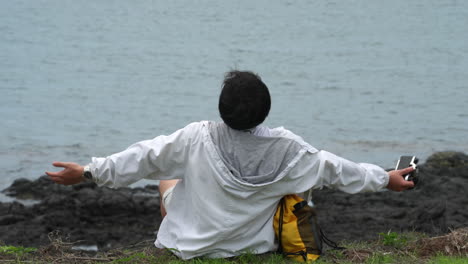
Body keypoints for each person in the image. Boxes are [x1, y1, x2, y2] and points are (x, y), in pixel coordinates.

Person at [45, 70, 414, 260]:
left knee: (167, 177)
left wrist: (89, 172)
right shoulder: (293, 151)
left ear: (221, 106)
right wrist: (387, 179)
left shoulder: (196, 137)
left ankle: (179, 223)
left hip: (188, 247)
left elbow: (143, 157)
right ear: (265, 109)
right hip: (252, 246)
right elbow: (340, 170)